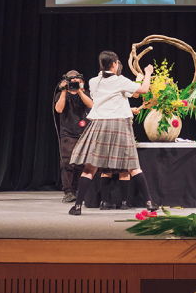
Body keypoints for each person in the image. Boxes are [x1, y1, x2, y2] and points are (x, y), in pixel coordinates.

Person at [67, 51, 156, 215]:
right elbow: (143, 90)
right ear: (114, 64)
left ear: (101, 64)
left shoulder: (94, 82)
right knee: (133, 166)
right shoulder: (120, 80)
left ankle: (77, 206)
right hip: (120, 125)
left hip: (99, 125)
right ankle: (149, 203)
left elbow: (112, 98)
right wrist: (148, 73)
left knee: (90, 169)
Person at [55, 70, 93, 203]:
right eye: (71, 81)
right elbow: (59, 109)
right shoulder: (61, 94)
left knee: (81, 164)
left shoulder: (86, 93)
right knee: (66, 162)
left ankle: (78, 190)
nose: (73, 83)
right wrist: (64, 90)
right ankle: (68, 191)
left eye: (76, 80)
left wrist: (80, 90)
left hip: (84, 133)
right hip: (68, 133)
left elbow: (91, 105)